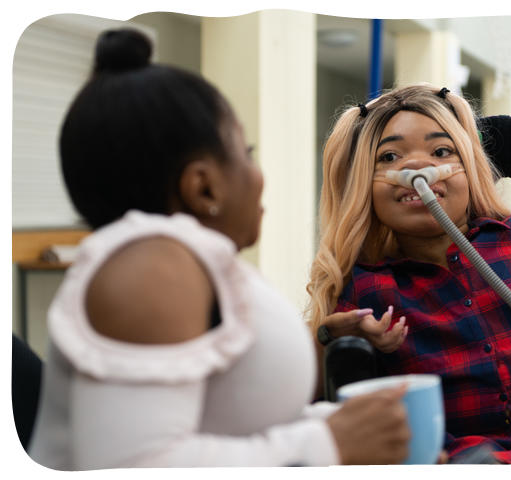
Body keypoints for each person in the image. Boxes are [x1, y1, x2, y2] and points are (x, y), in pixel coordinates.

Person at [27, 28, 413, 469]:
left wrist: (338, 386)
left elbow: (228, 414)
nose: (258, 172)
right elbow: (134, 465)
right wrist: (329, 443)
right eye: (246, 152)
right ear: (203, 185)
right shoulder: (151, 268)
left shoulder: (189, 262)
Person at [306, 83, 511, 464]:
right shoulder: (365, 288)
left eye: (441, 151)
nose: (416, 166)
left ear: (471, 166)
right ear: (362, 185)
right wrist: (329, 340)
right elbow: (342, 415)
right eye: (389, 156)